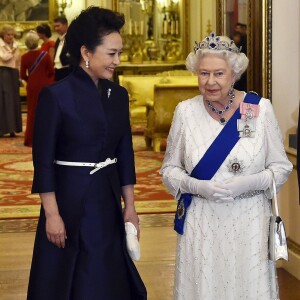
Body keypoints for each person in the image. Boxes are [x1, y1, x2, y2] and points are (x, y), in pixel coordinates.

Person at [160, 32, 292, 299]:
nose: (210, 82)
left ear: (234, 74)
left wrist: (250, 182)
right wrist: (196, 185)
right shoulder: (185, 112)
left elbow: (281, 166)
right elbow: (169, 170)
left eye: (219, 74)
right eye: (203, 73)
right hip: (202, 220)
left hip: (250, 220)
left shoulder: (259, 109)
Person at [26, 7, 147, 300]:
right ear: (86, 52)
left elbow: (124, 153)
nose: (117, 61)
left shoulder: (117, 95)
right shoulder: (56, 96)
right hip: (69, 197)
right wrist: (52, 215)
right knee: (71, 273)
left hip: (105, 196)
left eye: (119, 53)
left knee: (107, 267)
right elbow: (42, 162)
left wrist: (130, 207)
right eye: (111, 53)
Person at [20, 30, 54, 147]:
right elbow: (51, 71)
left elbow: (22, 75)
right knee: (45, 111)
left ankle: (29, 140)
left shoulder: (24, 57)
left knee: (31, 111)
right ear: (37, 41)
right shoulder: (45, 55)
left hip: (32, 86)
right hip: (45, 85)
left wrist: (30, 80)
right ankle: (45, 139)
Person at [0, 24, 22, 137]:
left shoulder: (15, 45)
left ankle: (13, 128)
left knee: (14, 99)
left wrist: (19, 76)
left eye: (12, 35)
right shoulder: (0, 44)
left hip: (13, 72)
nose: (11, 37)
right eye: (8, 34)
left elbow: (18, 61)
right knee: (5, 99)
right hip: (4, 72)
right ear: (3, 34)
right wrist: (13, 50)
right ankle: (3, 129)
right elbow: (4, 58)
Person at [53, 16, 72, 81]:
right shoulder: (58, 40)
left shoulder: (71, 38)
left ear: (65, 25)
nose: (56, 29)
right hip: (57, 71)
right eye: (55, 26)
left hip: (67, 71)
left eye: (58, 26)